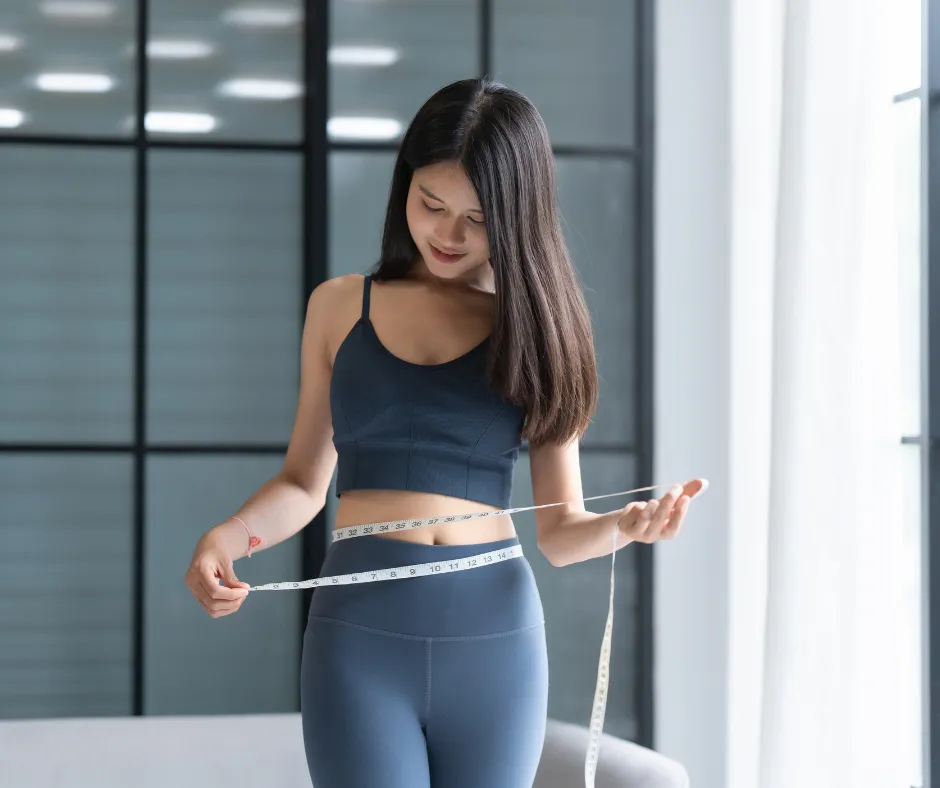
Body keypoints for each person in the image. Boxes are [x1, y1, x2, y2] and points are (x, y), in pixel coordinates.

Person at [185, 77, 704, 788]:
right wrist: (231, 536)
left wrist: (630, 526)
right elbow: (305, 482)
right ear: (405, 187)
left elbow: (560, 531)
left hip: (496, 642)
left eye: (478, 218)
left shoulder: (541, 329)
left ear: (518, 218)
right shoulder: (340, 307)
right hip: (359, 637)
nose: (448, 234)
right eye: (431, 204)